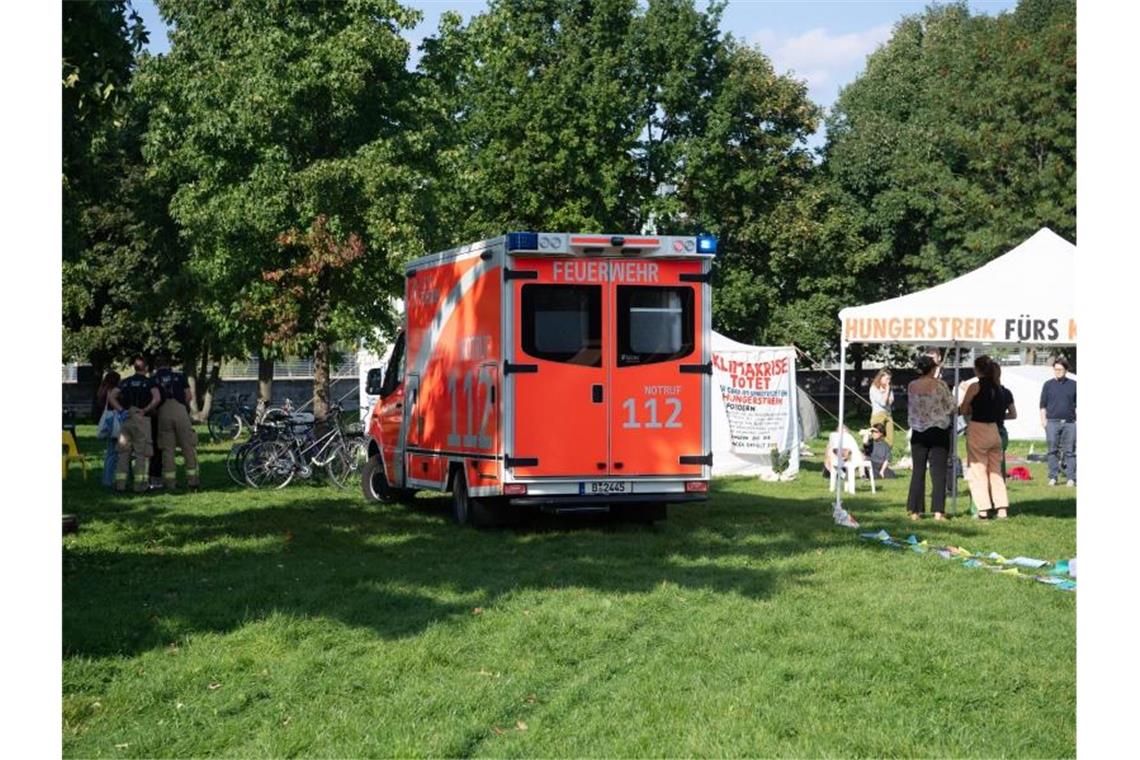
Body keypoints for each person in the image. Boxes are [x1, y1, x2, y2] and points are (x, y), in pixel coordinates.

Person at [906, 354, 957, 520]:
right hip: (937, 430)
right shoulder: (940, 385)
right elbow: (951, 406)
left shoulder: (911, 385)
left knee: (918, 471)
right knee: (938, 472)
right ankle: (938, 511)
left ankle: (915, 510)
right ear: (933, 368)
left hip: (917, 431)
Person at [960, 356, 1011, 519]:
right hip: (994, 430)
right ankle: (1002, 508)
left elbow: (964, 408)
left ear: (977, 369)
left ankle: (983, 509)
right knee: (996, 471)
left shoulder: (975, 386)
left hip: (978, 428)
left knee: (978, 471)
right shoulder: (1000, 388)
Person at [108, 356, 161, 492]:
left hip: (126, 419)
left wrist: (121, 410)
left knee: (123, 453)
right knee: (141, 454)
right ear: (147, 368)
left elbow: (111, 397)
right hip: (142, 420)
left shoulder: (125, 382)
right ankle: (140, 485)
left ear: (134, 367)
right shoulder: (150, 382)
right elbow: (157, 398)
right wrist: (146, 410)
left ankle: (120, 485)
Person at [153, 354, 201, 490]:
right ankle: (193, 481)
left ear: (156, 366)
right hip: (180, 410)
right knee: (188, 446)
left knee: (167, 450)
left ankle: (170, 482)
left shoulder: (154, 379)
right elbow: (188, 396)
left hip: (163, 413)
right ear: (169, 365)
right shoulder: (179, 377)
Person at [1039, 356, 1076, 487]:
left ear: (1066, 370)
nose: (1057, 372)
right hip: (1052, 422)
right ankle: (1053, 477)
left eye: (1060, 369)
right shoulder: (1048, 385)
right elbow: (1042, 405)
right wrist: (1043, 421)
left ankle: (1071, 478)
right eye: (1055, 369)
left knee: (1070, 451)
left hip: (1069, 423)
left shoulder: (1074, 385)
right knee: (1052, 451)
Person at [96, 371, 122, 488]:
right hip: (116, 422)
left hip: (108, 420)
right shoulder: (115, 391)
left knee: (111, 452)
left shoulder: (103, 391)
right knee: (119, 452)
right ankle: (115, 479)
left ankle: (107, 479)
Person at [993, 364, 1017, 479]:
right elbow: (1013, 414)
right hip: (1001, 431)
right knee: (999, 464)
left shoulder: (979, 391)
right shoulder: (1006, 392)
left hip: (985, 431)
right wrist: (1000, 416)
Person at [868, 369, 895, 447]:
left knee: (889, 439)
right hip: (878, 415)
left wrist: (887, 392)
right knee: (877, 437)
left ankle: (887, 456)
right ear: (880, 377)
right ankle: (875, 456)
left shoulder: (889, 388)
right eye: (887, 379)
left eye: (890, 379)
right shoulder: (874, 388)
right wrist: (886, 391)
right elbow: (883, 403)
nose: (888, 381)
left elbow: (891, 401)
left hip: (888, 414)